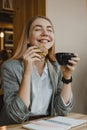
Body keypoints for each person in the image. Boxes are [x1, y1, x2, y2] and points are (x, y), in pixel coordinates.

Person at [0, 16, 80, 125]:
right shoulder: (10, 67)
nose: (45, 33)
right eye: (38, 29)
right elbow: (16, 116)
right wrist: (27, 72)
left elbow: (62, 110)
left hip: (47, 124)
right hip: (17, 126)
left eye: (49, 30)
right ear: (27, 38)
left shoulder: (56, 67)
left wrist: (67, 77)